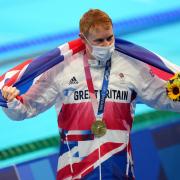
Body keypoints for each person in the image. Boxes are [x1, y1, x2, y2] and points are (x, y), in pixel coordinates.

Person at [1, 9, 180, 180]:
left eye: (110, 38)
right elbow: (26, 110)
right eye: (99, 41)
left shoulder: (132, 67)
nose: (107, 45)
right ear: (83, 38)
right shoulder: (60, 70)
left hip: (119, 172)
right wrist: (11, 102)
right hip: (74, 173)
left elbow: (165, 98)